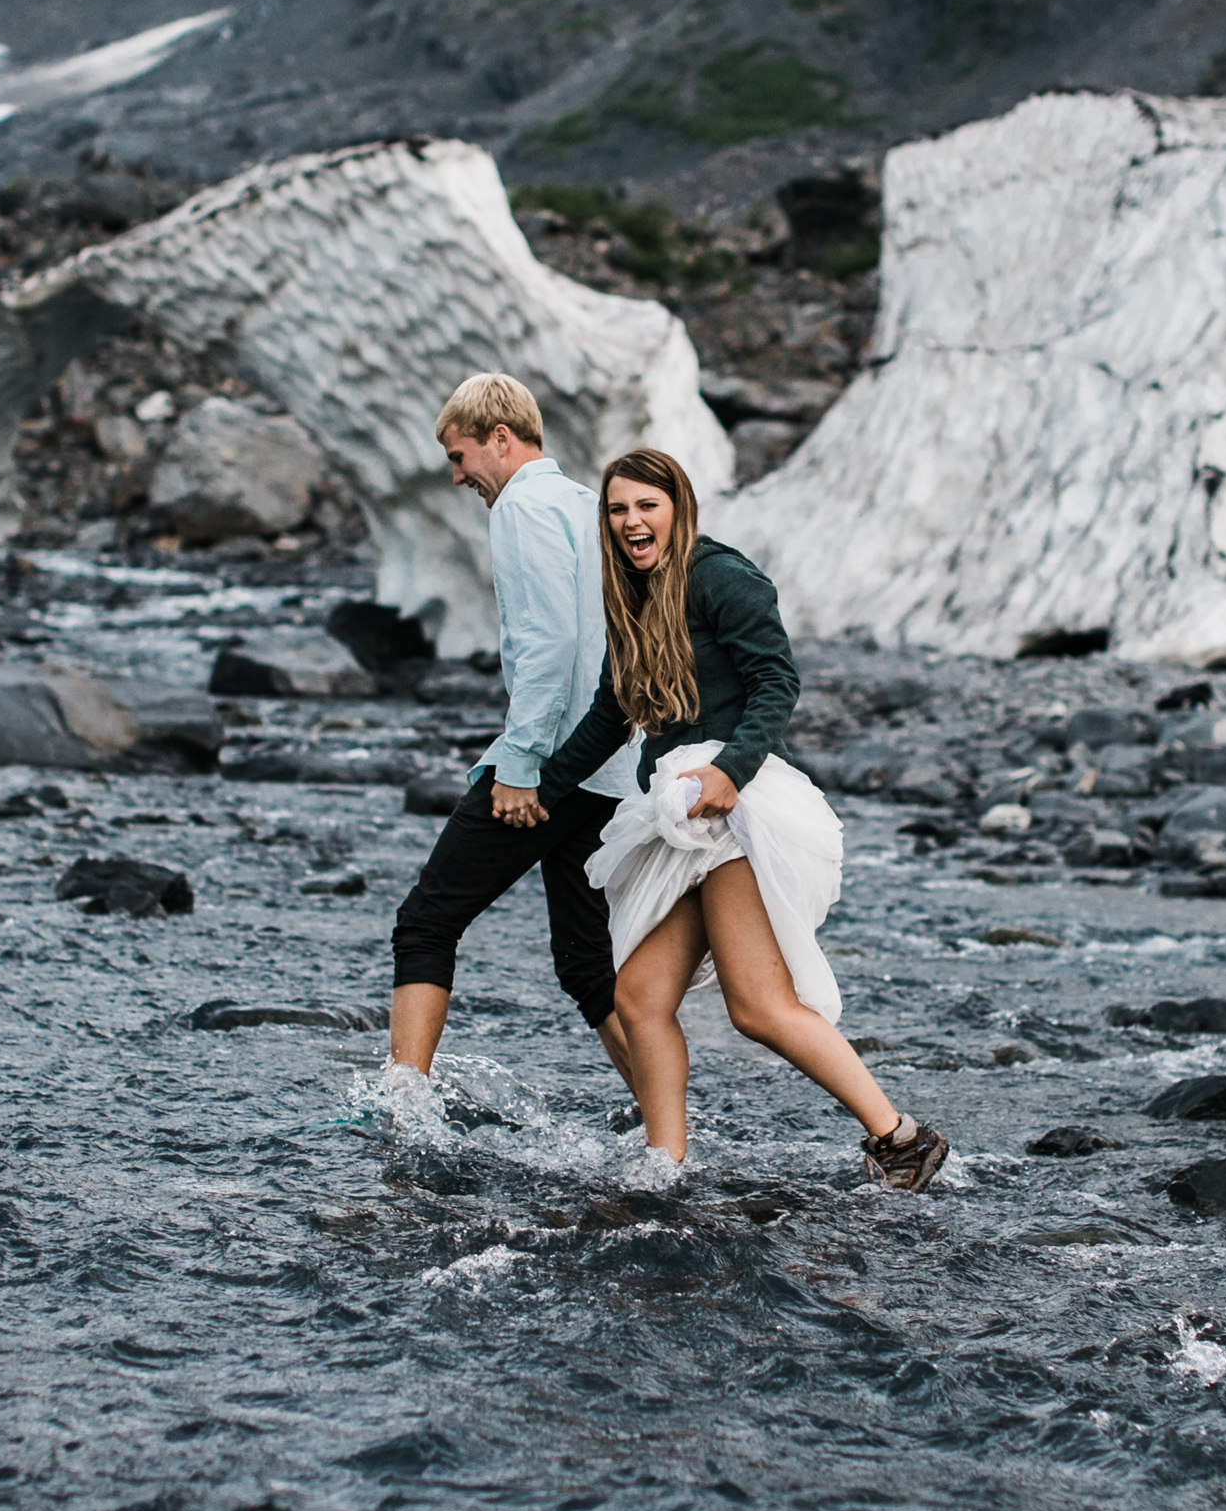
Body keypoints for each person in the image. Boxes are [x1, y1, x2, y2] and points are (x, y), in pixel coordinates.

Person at [523, 447, 949, 1189]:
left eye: (645, 506)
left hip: (737, 809)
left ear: (677, 508)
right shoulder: (629, 595)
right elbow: (609, 715)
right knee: (638, 998)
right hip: (676, 815)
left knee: (758, 1006)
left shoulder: (721, 576)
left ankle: (900, 1138)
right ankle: (665, 1164)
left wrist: (730, 770)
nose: (631, 521)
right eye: (617, 509)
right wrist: (536, 790)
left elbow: (774, 682)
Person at [389, 374, 639, 1089]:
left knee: (426, 923)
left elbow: (551, 643)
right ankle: (668, 1133)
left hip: (555, 766)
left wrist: (520, 764)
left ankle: (401, 1108)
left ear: (500, 439)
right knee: (588, 966)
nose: (459, 474)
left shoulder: (523, 506)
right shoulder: (586, 505)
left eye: (459, 456)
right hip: (610, 767)